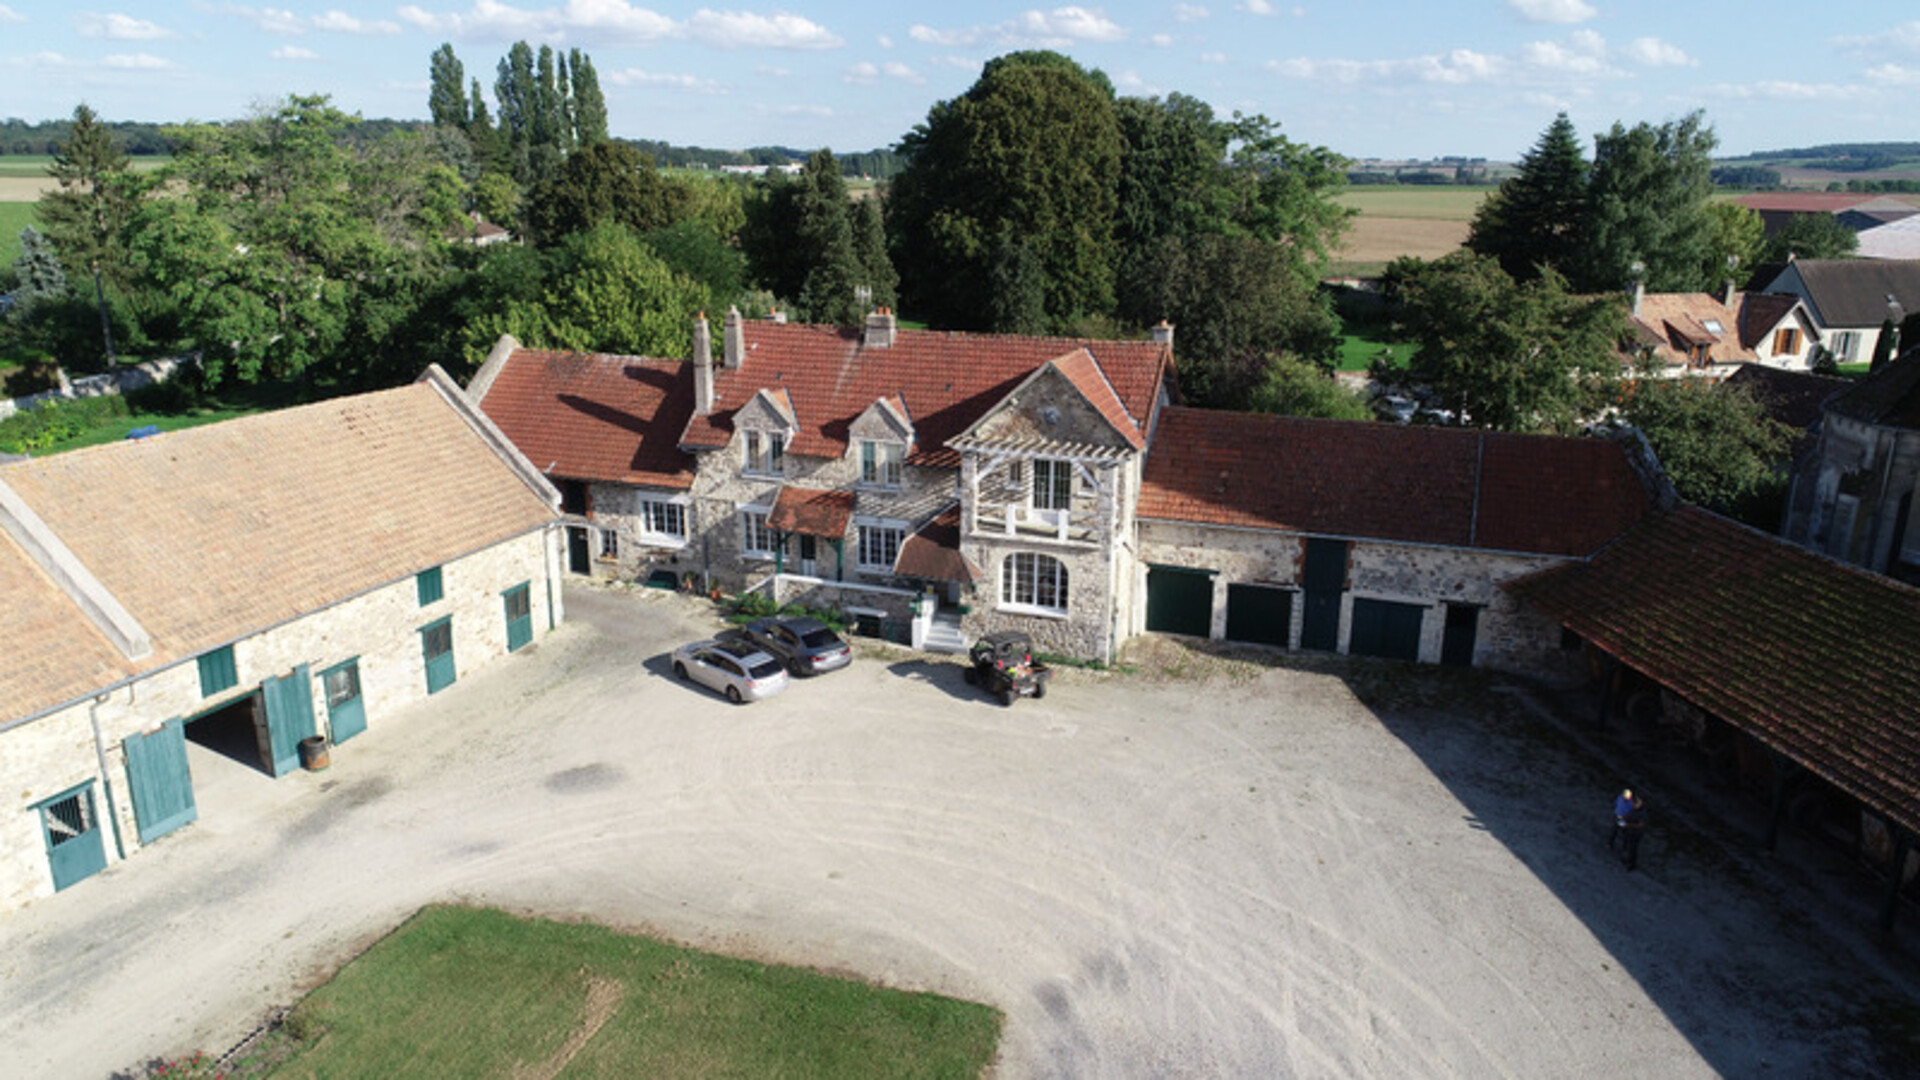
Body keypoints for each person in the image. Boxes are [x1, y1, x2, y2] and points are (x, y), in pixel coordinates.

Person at [1620, 794, 1647, 871]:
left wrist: (1628, 825)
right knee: (1626, 844)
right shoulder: (1633, 810)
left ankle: (1632, 864)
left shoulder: (1642, 814)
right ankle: (1625, 858)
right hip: (1629, 831)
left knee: (1633, 848)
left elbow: (1640, 825)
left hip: (1636, 834)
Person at [1608, 788, 1633, 853]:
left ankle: (1624, 848)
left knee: (1625, 834)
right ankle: (1610, 844)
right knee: (1614, 831)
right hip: (1617, 816)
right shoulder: (1620, 798)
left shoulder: (1631, 803)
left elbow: (1631, 812)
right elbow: (1615, 804)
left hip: (1624, 819)